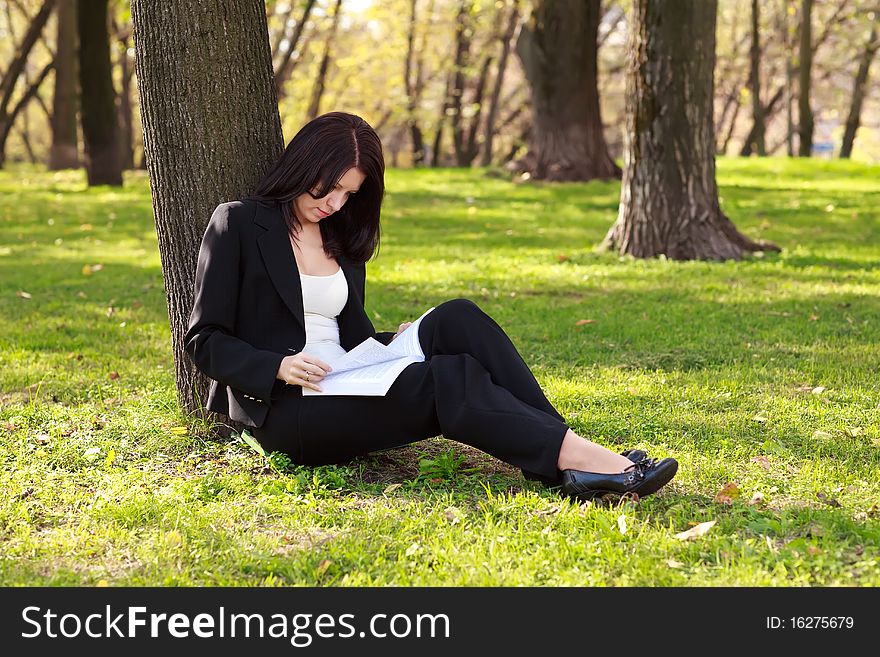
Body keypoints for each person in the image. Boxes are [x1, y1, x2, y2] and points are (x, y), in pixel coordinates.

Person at [184, 111, 678, 502]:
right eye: (327, 188)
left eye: (348, 193)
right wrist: (278, 367)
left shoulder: (338, 235)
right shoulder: (240, 224)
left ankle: (569, 453)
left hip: (349, 373)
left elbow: (347, 334)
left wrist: (392, 343)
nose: (335, 203)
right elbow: (204, 339)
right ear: (303, 166)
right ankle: (589, 462)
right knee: (448, 377)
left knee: (456, 317)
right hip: (290, 408)